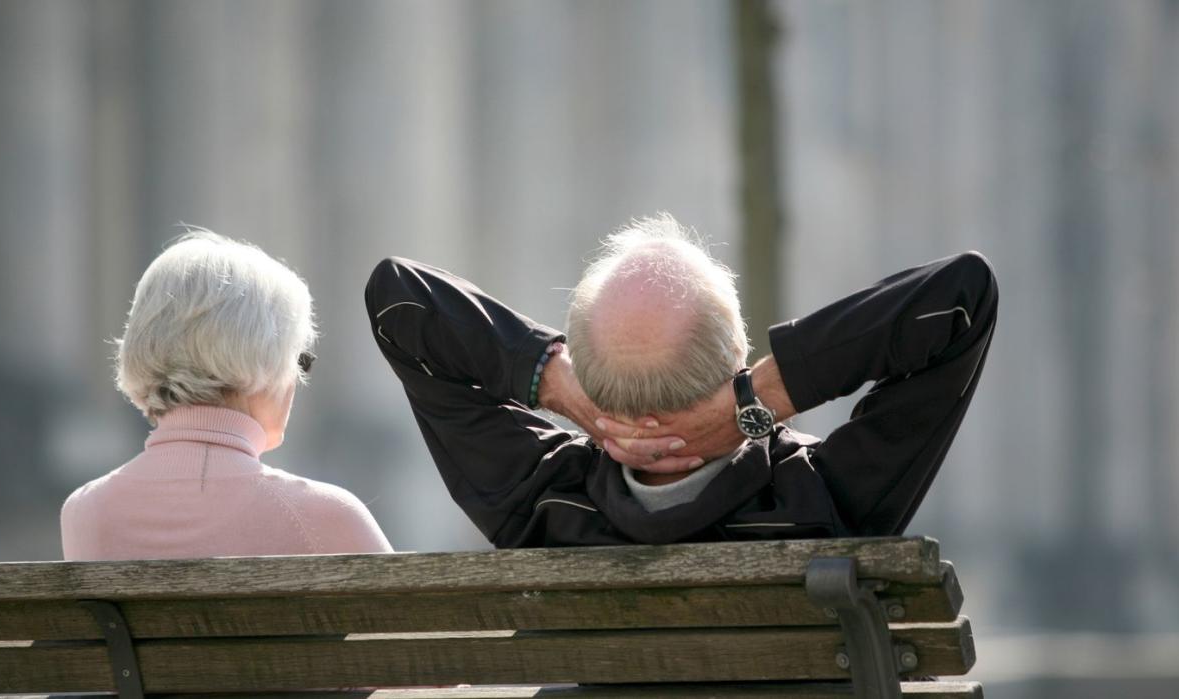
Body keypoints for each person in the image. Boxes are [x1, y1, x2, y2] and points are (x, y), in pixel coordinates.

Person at [366, 214, 996, 547]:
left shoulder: (538, 505)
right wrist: (758, 402)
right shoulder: (826, 499)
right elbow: (962, 297)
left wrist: (560, 389)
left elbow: (401, 304)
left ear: (592, 375)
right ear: (739, 351)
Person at [61, 230, 392, 560]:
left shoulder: (85, 511)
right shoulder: (325, 515)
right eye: (299, 360)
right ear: (267, 357)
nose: (296, 381)